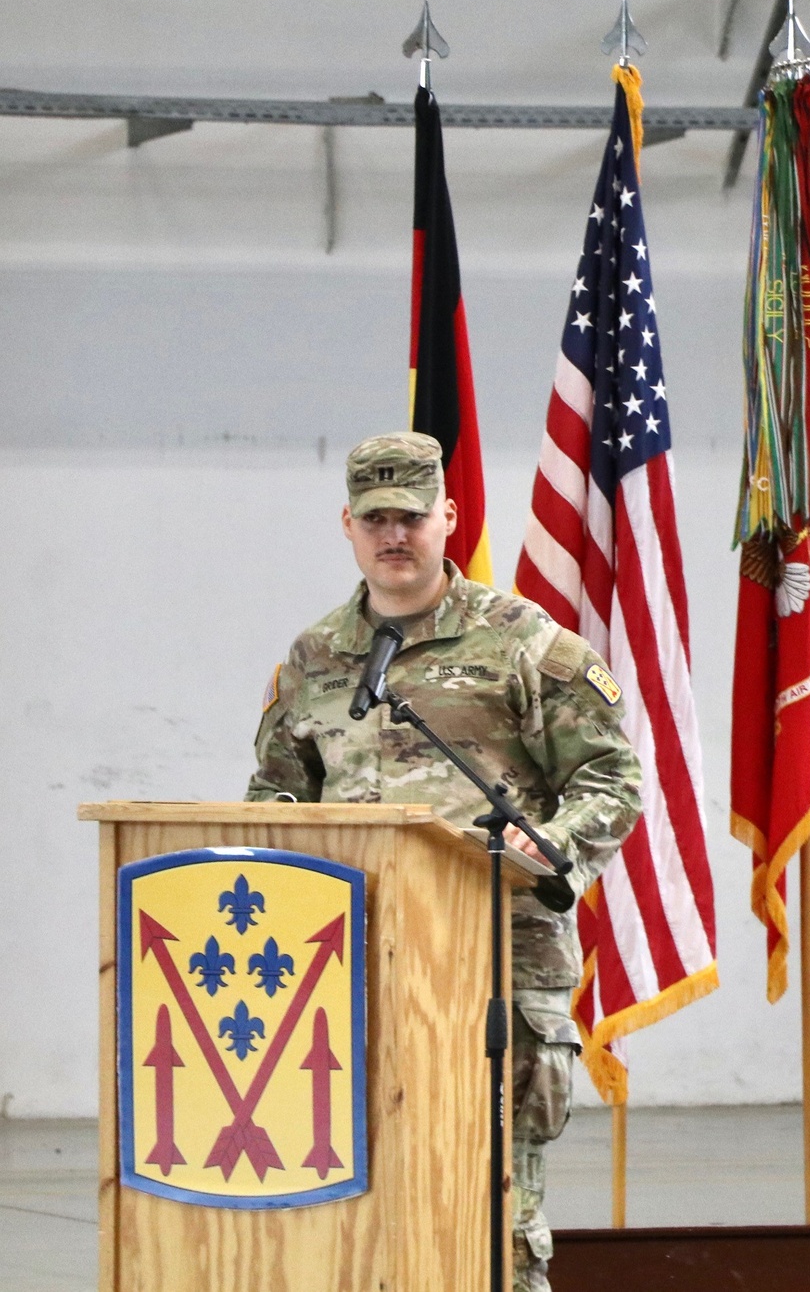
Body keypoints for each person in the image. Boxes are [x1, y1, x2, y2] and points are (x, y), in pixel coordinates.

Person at [247, 430, 642, 1291]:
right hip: (348, 974)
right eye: (377, 516)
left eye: (413, 516)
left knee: (495, 1217)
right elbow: (275, 795)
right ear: (346, 524)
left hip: (501, 963)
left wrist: (558, 843)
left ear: (448, 519)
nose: (396, 533)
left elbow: (612, 776)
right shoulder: (315, 658)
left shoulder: (522, 643)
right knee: (360, 1215)